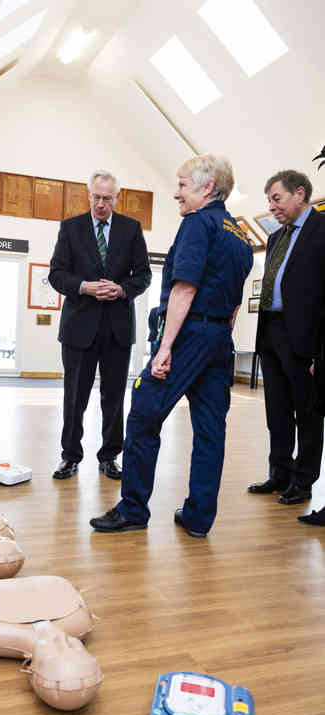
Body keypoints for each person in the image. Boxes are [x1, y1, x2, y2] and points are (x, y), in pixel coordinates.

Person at [90, 154, 253, 535]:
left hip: (188, 335)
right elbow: (235, 304)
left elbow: (184, 289)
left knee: (144, 415)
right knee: (211, 429)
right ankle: (199, 517)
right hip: (218, 341)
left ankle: (133, 509)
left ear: (207, 187)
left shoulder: (198, 224)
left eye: (182, 185)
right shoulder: (240, 234)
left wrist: (165, 349)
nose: (175, 193)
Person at [48, 170, 151, 480]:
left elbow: (143, 274)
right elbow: (56, 274)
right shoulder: (70, 228)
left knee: (114, 396)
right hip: (79, 326)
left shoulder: (131, 229)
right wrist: (85, 287)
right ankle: (70, 455)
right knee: (74, 396)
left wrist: (121, 289)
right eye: (97, 197)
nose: (101, 204)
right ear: (88, 195)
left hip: (117, 327)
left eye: (107, 198)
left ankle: (109, 456)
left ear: (117, 198)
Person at [247, 170, 325, 506]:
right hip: (271, 333)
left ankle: (303, 480)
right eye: (269, 200)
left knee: (306, 413)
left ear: (300, 194)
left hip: (305, 338)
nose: (272, 206)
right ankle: (279, 472)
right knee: (276, 409)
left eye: (276, 198)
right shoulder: (277, 237)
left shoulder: (322, 231)